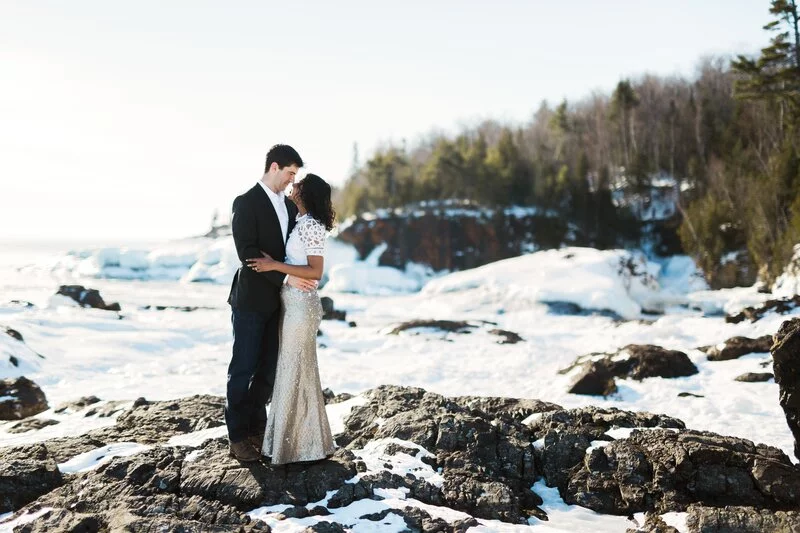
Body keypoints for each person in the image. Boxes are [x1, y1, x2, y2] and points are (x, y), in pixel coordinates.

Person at [226, 144, 317, 463]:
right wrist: (286, 278)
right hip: (250, 300)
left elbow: (295, 250)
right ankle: (237, 435)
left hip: (282, 304)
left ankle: (257, 427)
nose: (293, 181)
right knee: (243, 367)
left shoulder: (291, 208)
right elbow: (248, 254)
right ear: (274, 166)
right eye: (290, 173)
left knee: (268, 369)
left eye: (296, 176)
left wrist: (299, 275)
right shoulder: (245, 202)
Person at [246, 173, 336, 464]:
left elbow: (315, 271)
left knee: (293, 370)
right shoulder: (300, 221)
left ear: (304, 193)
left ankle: (295, 448)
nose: (292, 185)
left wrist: (275, 266)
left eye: (298, 183)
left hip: (301, 307)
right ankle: (305, 444)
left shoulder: (310, 225)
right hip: (293, 302)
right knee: (296, 371)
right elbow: (297, 264)